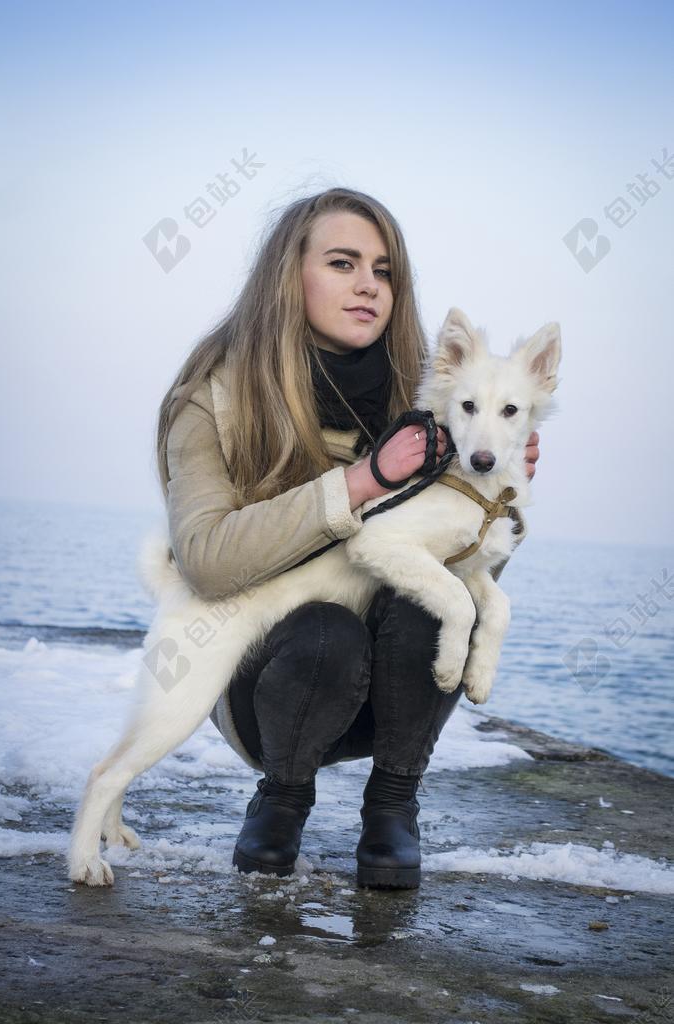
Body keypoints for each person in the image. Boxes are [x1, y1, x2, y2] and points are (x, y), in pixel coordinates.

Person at [156, 187, 540, 890]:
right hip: (262, 679)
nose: (368, 284)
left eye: (384, 269)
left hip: (387, 693)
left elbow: (454, 564)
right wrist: (362, 480)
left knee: (437, 596)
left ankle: (393, 803)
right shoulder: (211, 401)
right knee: (327, 628)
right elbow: (206, 562)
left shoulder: (437, 403)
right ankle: (282, 798)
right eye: (342, 262)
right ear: (287, 276)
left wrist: (497, 493)